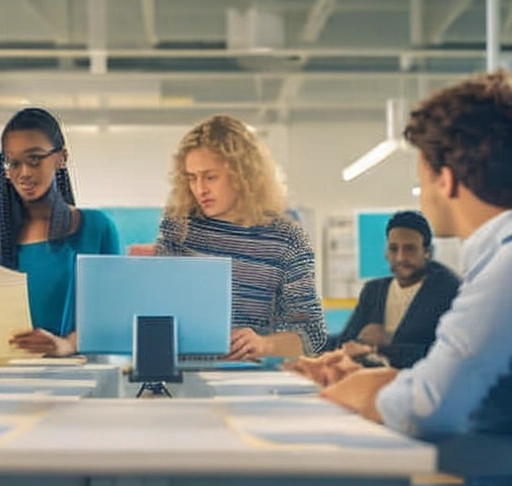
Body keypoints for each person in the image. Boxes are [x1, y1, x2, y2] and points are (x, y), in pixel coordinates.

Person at [318, 70, 512, 455]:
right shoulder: (494, 259)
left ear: (447, 180)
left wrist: (363, 389)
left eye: (421, 182)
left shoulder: (504, 268)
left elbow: (426, 408)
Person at [154, 114, 328, 359]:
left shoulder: (286, 238)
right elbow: (158, 314)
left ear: (242, 175)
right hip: (182, 376)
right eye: (192, 178)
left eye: (211, 177)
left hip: (249, 381)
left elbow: (312, 336)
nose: (200, 189)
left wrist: (265, 345)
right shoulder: (179, 227)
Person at [286, 210, 460, 385]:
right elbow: (344, 342)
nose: (401, 257)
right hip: (369, 387)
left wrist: (382, 347)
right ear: (386, 252)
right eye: (394, 248)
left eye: (410, 249)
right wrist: (287, 346)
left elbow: (448, 354)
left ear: (427, 252)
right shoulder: (374, 291)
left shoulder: (446, 291)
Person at [0, 107, 119, 357]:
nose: (24, 173)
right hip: (8, 382)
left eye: (34, 159)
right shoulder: (4, 236)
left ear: (61, 157)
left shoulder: (96, 228)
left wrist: (65, 344)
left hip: (79, 378)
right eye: (13, 163)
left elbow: (111, 317)